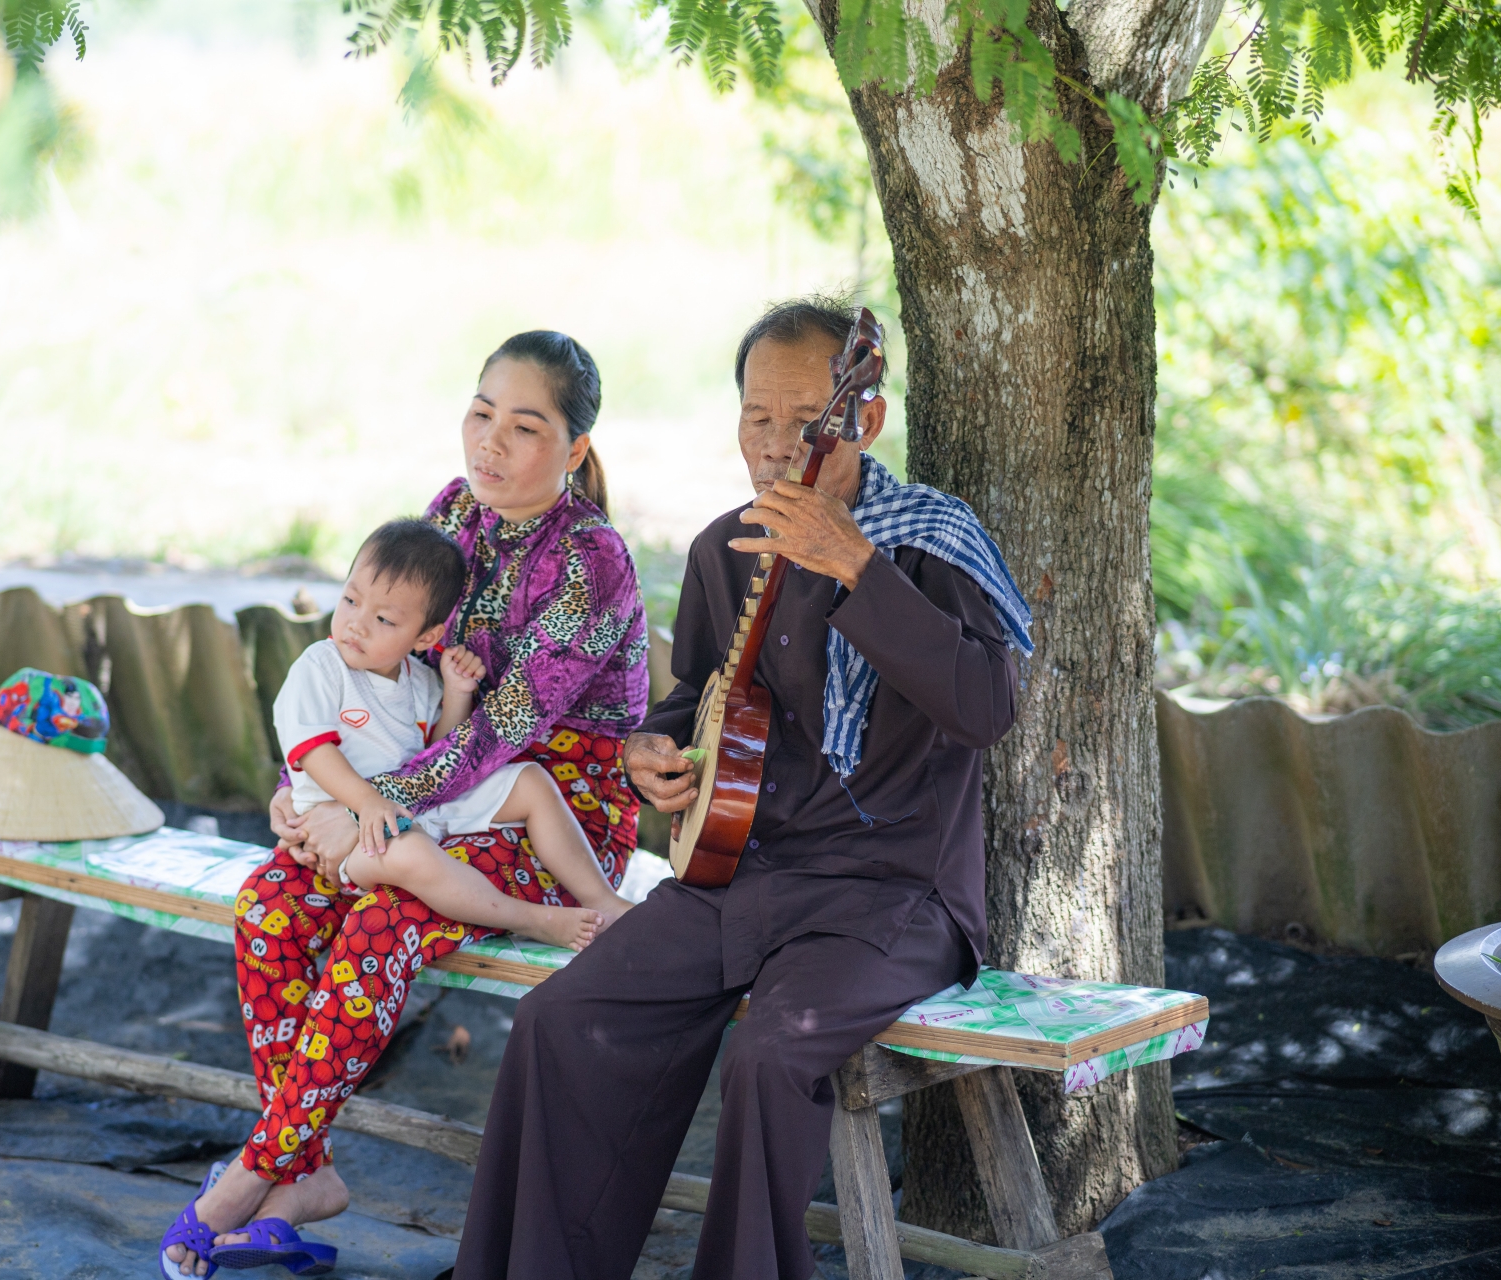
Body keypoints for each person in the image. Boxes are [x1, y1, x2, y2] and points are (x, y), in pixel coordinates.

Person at [451, 297, 1033, 1280]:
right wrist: (655, 754)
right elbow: (696, 703)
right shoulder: (727, 547)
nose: (772, 444)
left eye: (803, 421)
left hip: (895, 894)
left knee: (769, 1055)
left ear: (865, 421)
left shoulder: (931, 537)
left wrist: (855, 565)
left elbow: (986, 705)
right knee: (560, 1020)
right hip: (740, 879)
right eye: (754, 417)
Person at [161, 331, 649, 1278]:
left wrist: (362, 810)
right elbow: (371, 677)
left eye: (525, 426)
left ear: (575, 450)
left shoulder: (592, 560)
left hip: (547, 810)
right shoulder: (449, 516)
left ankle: (256, 1169)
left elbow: (499, 733)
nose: (490, 444)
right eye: (480, 413)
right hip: (410, 786)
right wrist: (305, 793)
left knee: (381, 921)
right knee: (268, 907)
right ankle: (312, 1174)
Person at [274, 517, 633, 952]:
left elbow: (436, 750)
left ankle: (604, 902)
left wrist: (457, 695)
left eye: (384, 619)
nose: (357, 624)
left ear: (426, 636)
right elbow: (314, 753)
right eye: (350, 599)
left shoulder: (418, 680)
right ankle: (536, 921)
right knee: (414, 856)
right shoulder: (319, 667)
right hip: (353, 835)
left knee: (532, 782)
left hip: (414, 807)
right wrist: (366, 803)